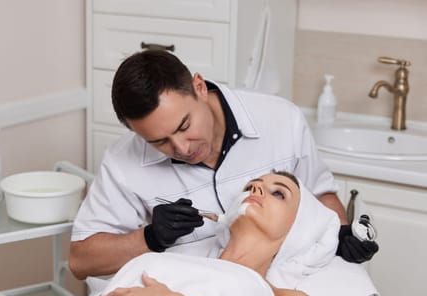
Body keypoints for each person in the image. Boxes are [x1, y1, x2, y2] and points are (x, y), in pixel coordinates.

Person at [69, 50, 378, 283]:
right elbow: (81, 261)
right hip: (178, 292)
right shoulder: (123, 160)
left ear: (200, 87)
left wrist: (342, 235)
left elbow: (322, 196)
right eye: (159, 142)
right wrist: (150, 237)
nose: (181, 148)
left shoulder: (281, 120)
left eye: (184, 125)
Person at [0, 172, 394, 296]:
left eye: (278, 193)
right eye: (253, 185)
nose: (257, 189)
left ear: (300, 229)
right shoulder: (160, 263)